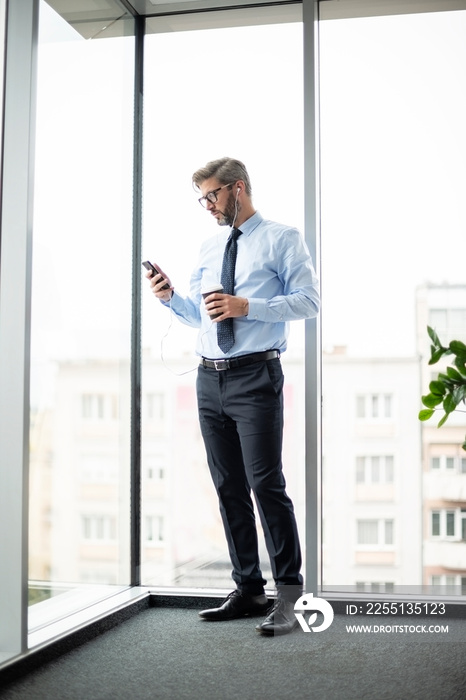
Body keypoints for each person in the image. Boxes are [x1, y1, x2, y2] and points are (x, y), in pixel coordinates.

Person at [145, 157, 319, 636]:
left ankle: (289, 595)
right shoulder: (208, 245)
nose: (207, 206)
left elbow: (310, 301)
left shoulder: (283, 239)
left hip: (256, 377)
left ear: (238, 188)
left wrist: (249, 306)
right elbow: (200, 315)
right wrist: (169, 298)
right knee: (227, 488)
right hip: (209, 378)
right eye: (201, 198)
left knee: (266, 486)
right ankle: (248, 589)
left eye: (212, 196)